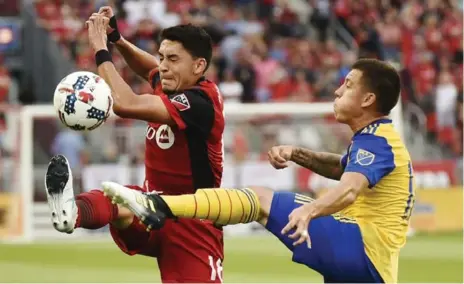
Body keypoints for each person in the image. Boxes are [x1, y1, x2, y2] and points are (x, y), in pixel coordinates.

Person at [103, 58, 415, 283]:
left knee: (260, 199)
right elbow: (341, 167)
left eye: (347, 86)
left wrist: (310, 211)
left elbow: (350, 188)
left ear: (369, 99)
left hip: (362, 248)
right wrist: (297, 153)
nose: (336, 91)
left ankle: (158, 205)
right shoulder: (374, 139)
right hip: (373, 267)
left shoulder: (376, 142)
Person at [45, 8, 226, 283]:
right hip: (150, 208)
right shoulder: (170, 84)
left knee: (123, 200)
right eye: (163, 56)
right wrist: (117, 38)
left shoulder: (200, 103)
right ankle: (72, 212)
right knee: (118, 198)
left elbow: (125, 104)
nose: (163, 66)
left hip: (193, 220)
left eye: (173, 59)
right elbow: (149, 68)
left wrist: (101, 51)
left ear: (199, 66)